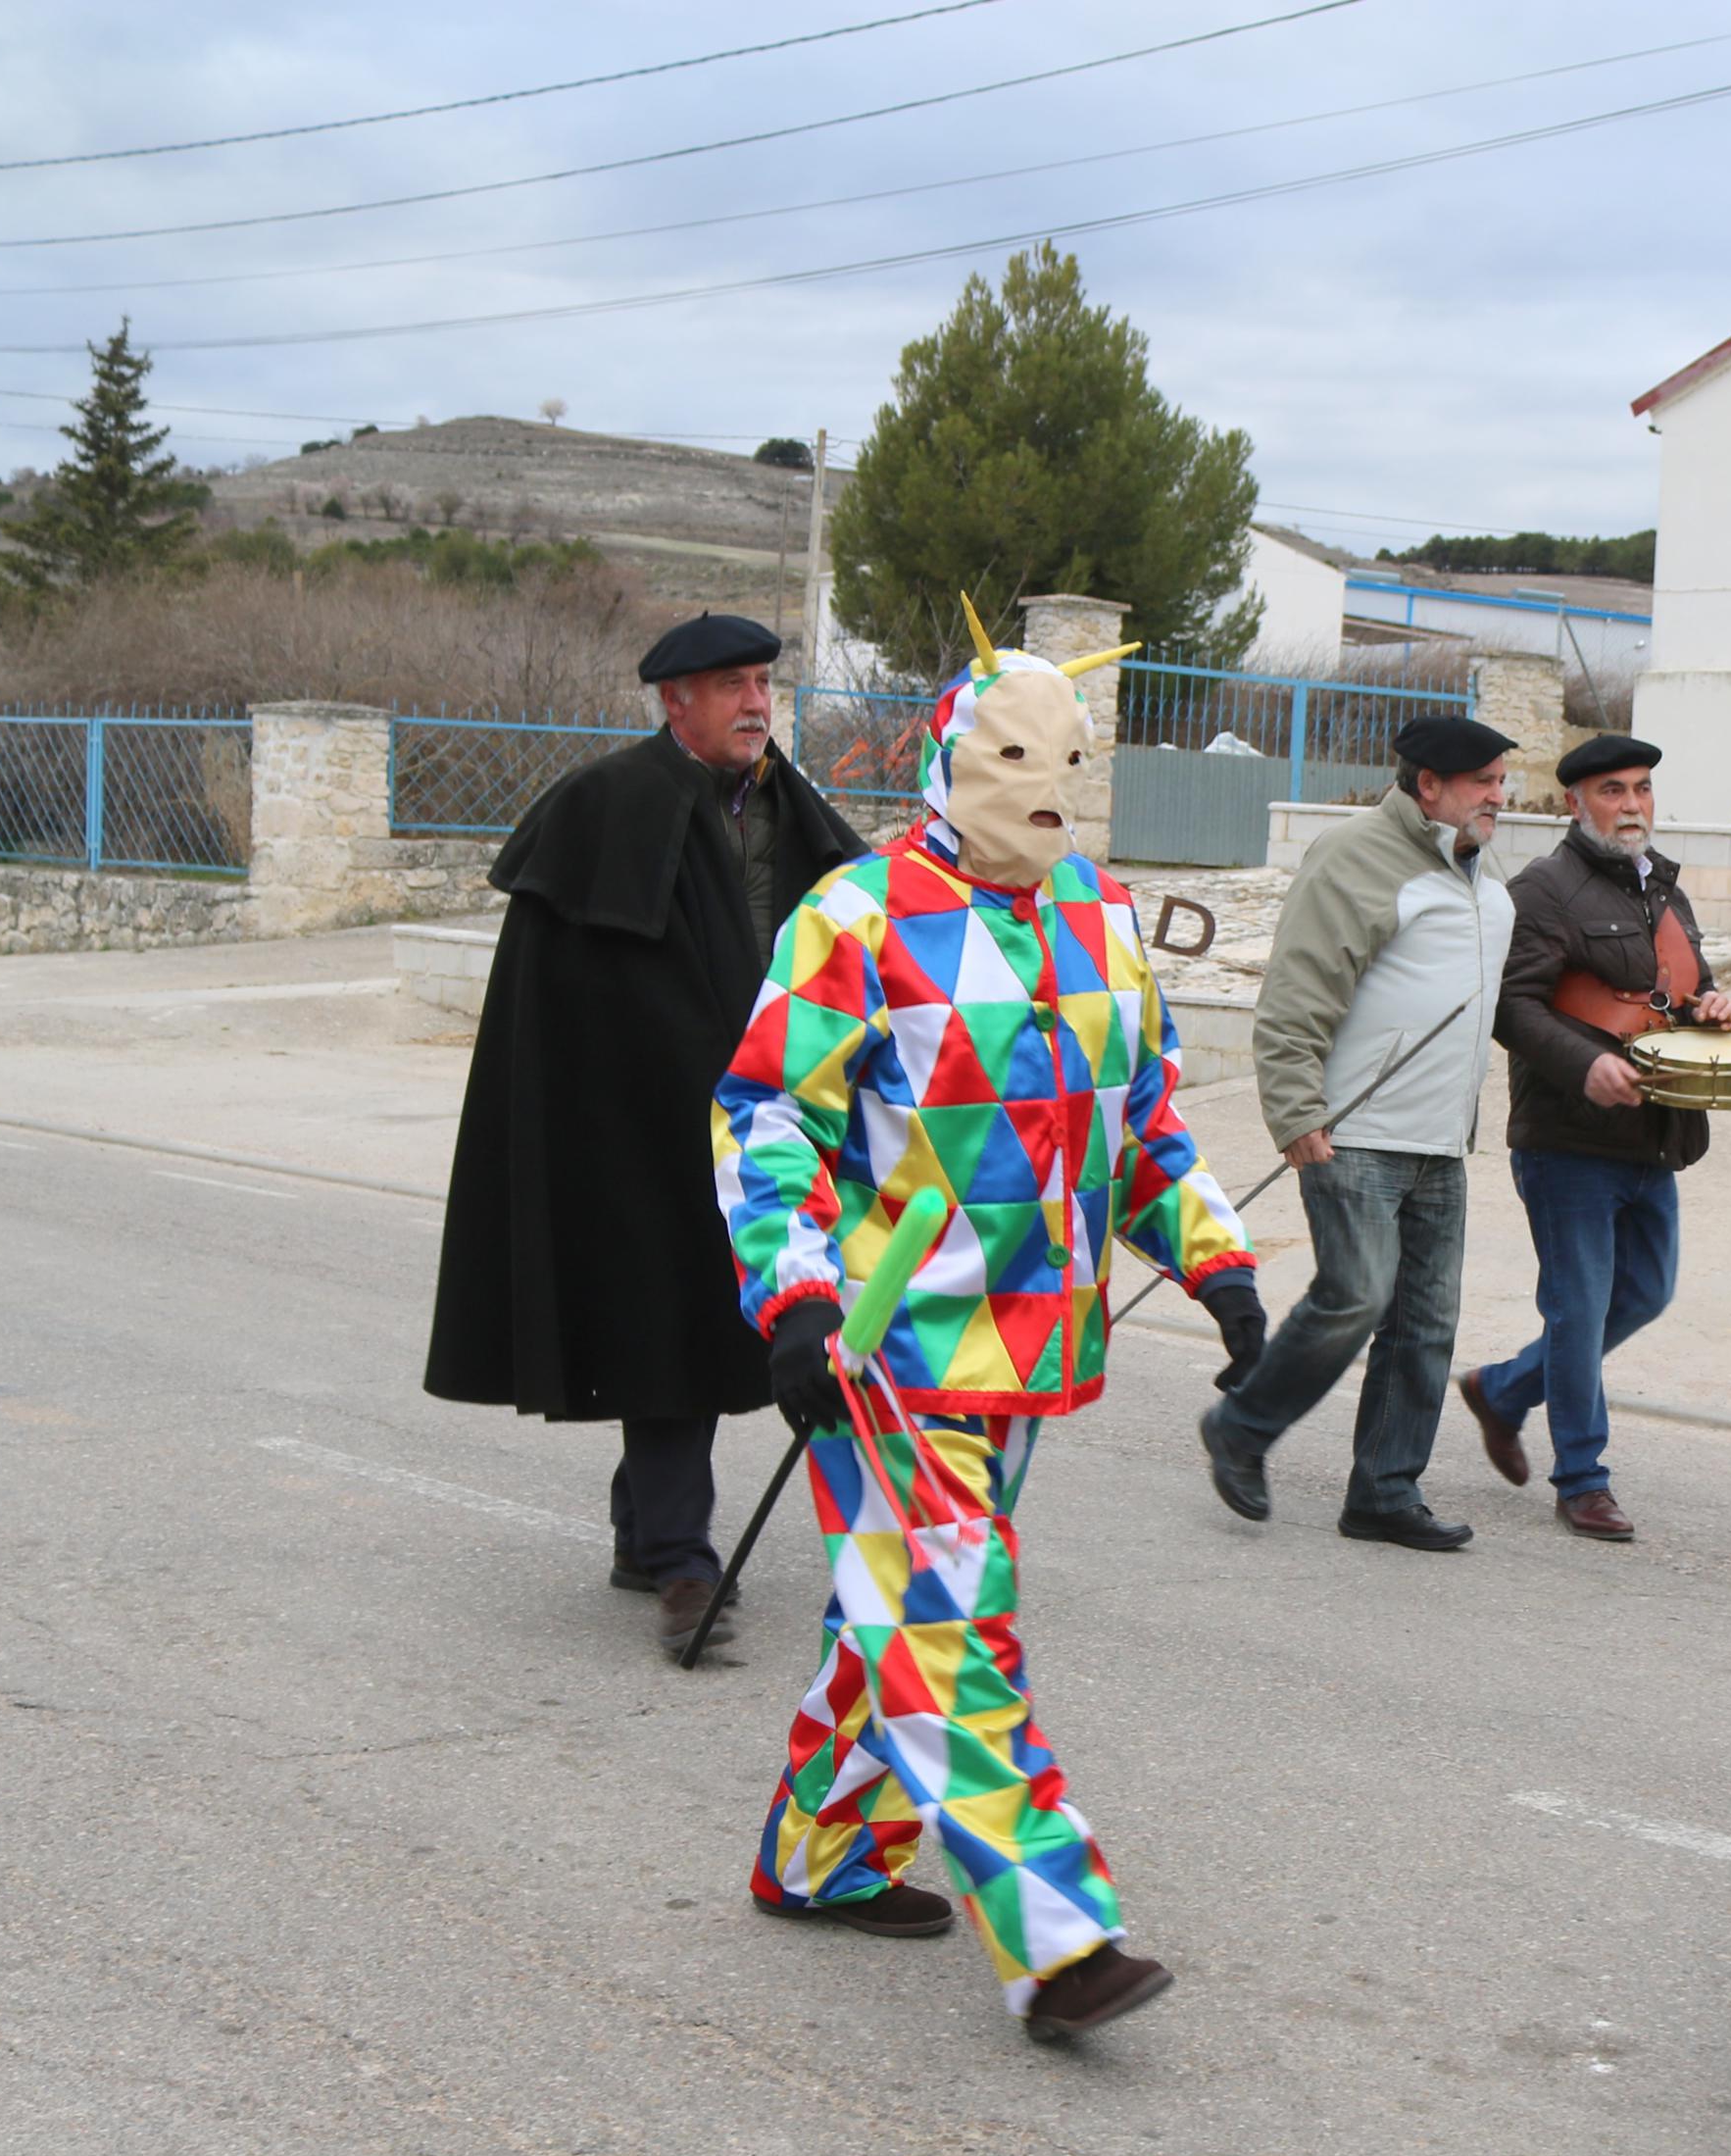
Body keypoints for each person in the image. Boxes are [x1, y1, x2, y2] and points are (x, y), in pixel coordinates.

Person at [714, 608, 1264, 2040]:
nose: (1044, 785)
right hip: (887, 1347)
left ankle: (821, 1856)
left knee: (894, 1615)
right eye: (1012, 754)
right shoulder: (857, 912)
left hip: (1029, 1350)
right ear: (947, 759)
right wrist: (796, 1296)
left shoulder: (1099, 912)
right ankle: (1058, 1933)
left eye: (1068, 760)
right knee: (952, 1629)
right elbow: (767, 1110)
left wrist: (1216, 1262)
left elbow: (1140, 1117)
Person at [424, 612, 863, 1658]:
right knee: (668, 1333)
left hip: (765, 1132)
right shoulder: (601, 808)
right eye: (730, 686)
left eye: (762, 682)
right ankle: (681, 1562)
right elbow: (556, 998)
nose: (757, 702)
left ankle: (643, 1532)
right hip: (629, 1129)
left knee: (705, 1332)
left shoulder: (793, 811)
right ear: (674, 701)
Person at [1200, 714, 1516, 1551]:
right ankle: (1241, 1425)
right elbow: (1297, 991)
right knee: (1357, 1292)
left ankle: (1383, 1489)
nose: (1499, 794)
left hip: (1441, 1139)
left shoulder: (1480, 872)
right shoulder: (1355, 858)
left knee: (1426, 1322)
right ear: (1428, 786)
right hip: (1353, 1131)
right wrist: (1296, 1110)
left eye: (1498, 778)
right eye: (1483, 780)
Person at [1459, 733, 1731, 1542]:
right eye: (1612, 791)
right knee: (1578, 1310)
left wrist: (1710, 1007)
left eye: (1642, 790)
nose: (1631, 806)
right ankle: (1582, 1477)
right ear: (1571, 804)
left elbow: (1686, 986)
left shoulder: (1663, 887)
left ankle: (1505, 1389)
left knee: (1646, 1293)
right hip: (1569, 1139)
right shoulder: (1541, 890)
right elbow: (1514, 1005)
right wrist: (1583, 1064)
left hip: (1658, 1134)